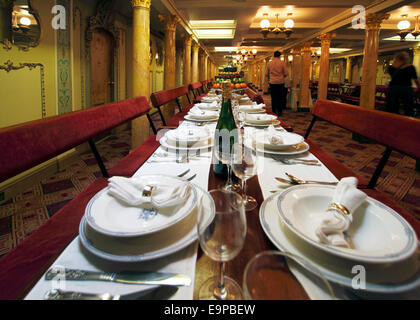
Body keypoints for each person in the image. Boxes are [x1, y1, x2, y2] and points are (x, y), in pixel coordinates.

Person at [385, 51, 420, 117]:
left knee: (391, 108)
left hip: (393, 89)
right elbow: (416, 80)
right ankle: (409, 122)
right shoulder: (410, 67)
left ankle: (390, 121)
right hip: (406, 89)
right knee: (408, 108)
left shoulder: (391, 67)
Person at [265, 51, 289, 116]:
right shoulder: (282, 63)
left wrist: (271, 76)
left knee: (273, 97)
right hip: (280, 82)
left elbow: (266, 74)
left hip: (272, 82)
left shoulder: (269, 63)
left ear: (273, 55)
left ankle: (274, 111)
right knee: (280, 97)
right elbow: (286, 73)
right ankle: (280, 111)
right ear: (280, 56)